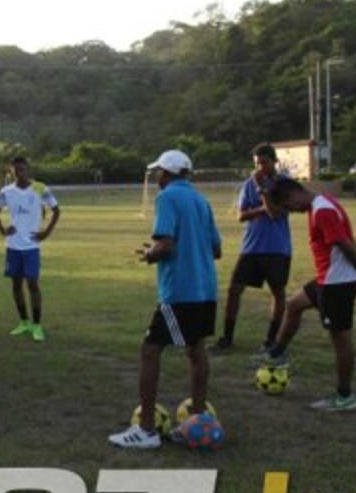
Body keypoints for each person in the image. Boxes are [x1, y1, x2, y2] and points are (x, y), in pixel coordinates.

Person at [110, 150, 221, 450]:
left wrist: (150, 253)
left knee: (150, 350)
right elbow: (216, 249)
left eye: (159, 172)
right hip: (206, 289)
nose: (157, 177)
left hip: (180, 291)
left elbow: (166, 244)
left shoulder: (168, 198)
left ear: (167, 174)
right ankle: (198, 420)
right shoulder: (201, 200)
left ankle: (145, 430)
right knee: (195, 349)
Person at [258, 178, 356, 411]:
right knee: (293, 305)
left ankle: (344, 396)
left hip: (337, 284)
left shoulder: (322, 210)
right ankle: (277, 353)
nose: (290, 211)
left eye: (287, 205)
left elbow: (345, 243)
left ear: (293, 194)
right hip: (329, 279)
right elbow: (348, 239)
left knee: (340, 339)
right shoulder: (322, 204)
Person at [209, 144, 292, 355]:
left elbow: (276, 214)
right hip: (251, 247)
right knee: (234, 290)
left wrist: (261, 190)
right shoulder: (248, 184)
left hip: (277, 248)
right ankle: (227, 338)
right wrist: (263, 207)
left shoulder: (284, 185)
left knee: (278, 293)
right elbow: (241, 216)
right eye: (256, 164)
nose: (260, 168)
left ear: (274, 161)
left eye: (264, 163)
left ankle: (270, 340)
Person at [0, 157, 60, 342]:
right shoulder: (6, 191)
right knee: (16, 284)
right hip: (13, 246)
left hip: (31, 246)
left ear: (28, 170)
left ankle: (37, 325)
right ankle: (23, 322)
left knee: (32, 283)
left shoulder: (39, 188)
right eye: (16, 170)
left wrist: (45, 233)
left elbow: (56, 210)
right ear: (11, 171)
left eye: (23, 169)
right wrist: (2, 230)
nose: (20, 173)